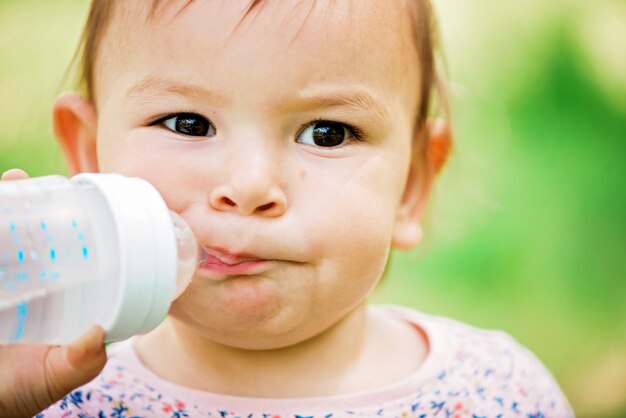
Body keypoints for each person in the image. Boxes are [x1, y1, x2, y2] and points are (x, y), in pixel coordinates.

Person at [2, 1, 573, 417]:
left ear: (411, 184)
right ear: (88, 157)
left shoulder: (497, 393)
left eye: (326, 133)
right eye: (188, 124)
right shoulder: (54, 394)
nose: (249, 187)